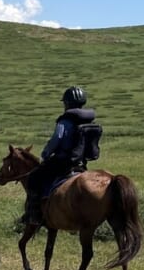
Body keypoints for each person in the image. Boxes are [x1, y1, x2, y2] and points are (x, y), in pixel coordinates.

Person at [23, 86, 102, 226]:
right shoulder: (88, 119)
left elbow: (56, 139)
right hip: (80, 163)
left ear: (67, 103)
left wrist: (45, 154)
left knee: (33, 178)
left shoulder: (65, 120)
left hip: (62, 162)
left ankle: (34, 216)